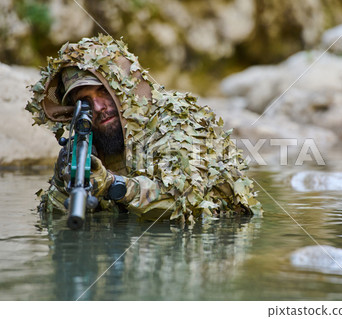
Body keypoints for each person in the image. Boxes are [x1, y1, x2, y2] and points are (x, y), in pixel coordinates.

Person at [26, 34, 262, 223]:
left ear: (124, 90)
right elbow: (53, 220)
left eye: (103, 92)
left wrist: (112, 185)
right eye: (85, 100)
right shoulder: (90, 141)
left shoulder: (178, 121)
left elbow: (189, 203)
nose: (97, 107)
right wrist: (62, 183)